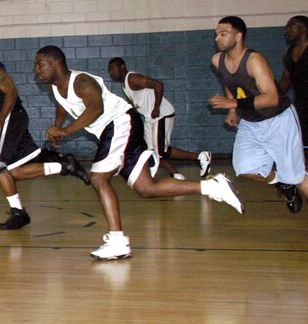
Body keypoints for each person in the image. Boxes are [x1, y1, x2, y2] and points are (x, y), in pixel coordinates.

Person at [33, 46, 243, 260]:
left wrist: (67, 130)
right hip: (118, 128)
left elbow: (96, 108)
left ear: (55, 63)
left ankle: (117, 241)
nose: (36, 69)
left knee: (97, 177)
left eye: (40, 64)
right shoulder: (55, 87)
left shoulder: (82, 81)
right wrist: (58, 128)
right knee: (146, 188)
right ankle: (212, 186)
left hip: (120, 122)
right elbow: (62, 105)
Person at [0, 34, 90, 230]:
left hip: (11, 117)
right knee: (14, 173)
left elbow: (11, 91)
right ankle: (64, 165)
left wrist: (1, 119)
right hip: (1, 121)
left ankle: (18, 212)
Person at [210, 16, 308, 214]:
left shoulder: (254, 60)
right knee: (245, 168)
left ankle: (291, 183)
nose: (217, 39)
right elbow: (230, 85)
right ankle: (284, 185)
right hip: (251, 121)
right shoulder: (217, 60)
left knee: (297, 177)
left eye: (223, 34)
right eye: (216, 34)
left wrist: (234, 103)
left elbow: (271, 98)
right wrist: (232, 110)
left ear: (238, 36)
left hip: (278, 121)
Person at [107, 57, 212, 180]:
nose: (111, 73)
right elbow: (134, 101)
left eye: (113, 69)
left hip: (161, 114)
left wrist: (156, 107)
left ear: (122, 67)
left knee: (162, 151)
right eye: (110, 71)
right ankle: (175, 174)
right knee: (152, 152)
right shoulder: (124, 84)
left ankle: (200, 156)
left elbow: (158, 84)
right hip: (149, 118)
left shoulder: (132, 78)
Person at [280, 16, 308, 155]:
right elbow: (286, 79)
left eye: (289, 27)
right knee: (301, 141)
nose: (286, 31)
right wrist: (272, 96)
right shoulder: (288, 53)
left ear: (302, 27)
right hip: (301, 104)